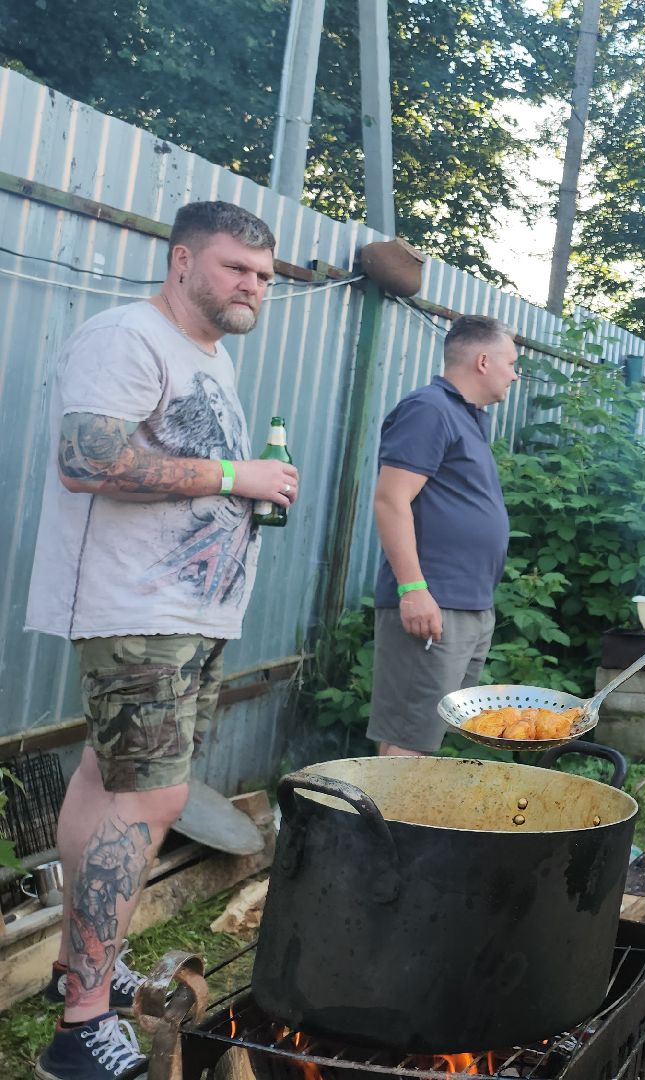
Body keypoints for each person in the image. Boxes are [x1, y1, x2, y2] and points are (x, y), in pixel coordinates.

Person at [24, 200, 298, 1080]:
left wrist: (245, 495)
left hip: (185, 616)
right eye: (235, 269)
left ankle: (79, 966)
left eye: (262, 274)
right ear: (182, 262)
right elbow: (88, 459)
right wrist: (233, 474)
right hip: (139, 615)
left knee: (107, 782)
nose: (252, 286)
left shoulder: (206, 357)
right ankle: (83, 1028)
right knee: (153, 803)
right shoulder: (129, 337)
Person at [367, 315, 520, 756]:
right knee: (407, 739)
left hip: (469, 605)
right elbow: (390, 501)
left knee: (428, 737)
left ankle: (406, 825)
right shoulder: (428, 410)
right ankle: (385, 825)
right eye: (510, 363)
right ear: (483, 361)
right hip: (433, 604)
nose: (515, 374)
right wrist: (413, 589)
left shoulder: (468, 418)